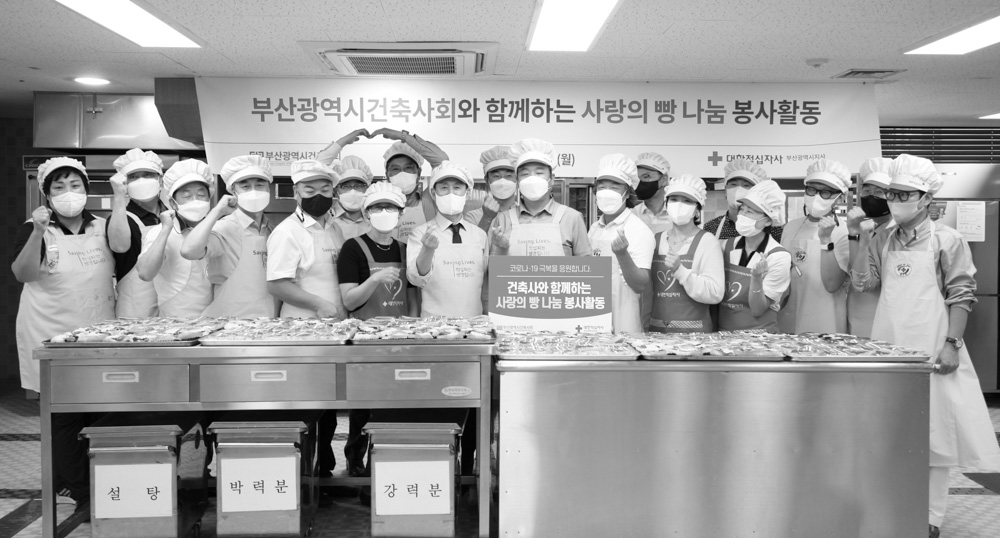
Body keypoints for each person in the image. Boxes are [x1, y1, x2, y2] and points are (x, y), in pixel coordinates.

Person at [850, 154, 1000, 538]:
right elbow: (864, 284)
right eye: (892, 194)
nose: (895, 200)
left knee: (935, 436)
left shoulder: (947, 240)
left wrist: (952, 344)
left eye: (904, 194)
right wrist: (859, 237)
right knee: (892, 431)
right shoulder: (882, 238)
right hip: (890, 351)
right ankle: (895, 508)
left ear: (926, 198)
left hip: (933, 350)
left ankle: (930, 517)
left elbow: (961, 295)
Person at [11, 157, 124, 509]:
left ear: (86, 190)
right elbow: (23, 274)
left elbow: (123, 257)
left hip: (98, 330)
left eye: (75, 185)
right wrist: (37, 232)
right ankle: (78, 490)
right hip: (51, 330)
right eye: (59, 187)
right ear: (47, 194)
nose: (68, 193)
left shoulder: (102, 226)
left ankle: (91, 478)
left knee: (99, 409)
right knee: (63, 413)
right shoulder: (35, 228)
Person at [337, 181, 419, 478]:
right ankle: (356, 462)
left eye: (390, 207)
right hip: (365, 340)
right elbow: (349, 300)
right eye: (377, 207)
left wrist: (411, 330)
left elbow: (412, 298)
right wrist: (374, 279)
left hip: (399, 338)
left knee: (395, 404)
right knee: (363, 405)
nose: (384, 212)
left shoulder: (405, 249)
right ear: (366, 212)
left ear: (401, 213)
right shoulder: (353, 248)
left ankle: (387, 461)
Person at [181, 155, 277, 318]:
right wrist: (217, 211)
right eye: (245, 186)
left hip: (267, 319)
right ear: (233, 191)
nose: (254, 191)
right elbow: (189, 251)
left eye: (260, 185)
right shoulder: (226, 227)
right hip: (230, 322)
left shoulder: (271, 229)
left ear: (269, 188)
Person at [266, 159, 348, 319]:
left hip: (338, 321)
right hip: (303, 323)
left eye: (325, 190)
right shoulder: (287, 231)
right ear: (295, 191)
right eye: (310, 191)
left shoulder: (335, 228)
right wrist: (319, 304)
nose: (318, 196)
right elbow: (276, 285)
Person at [778, 159, 852, 334]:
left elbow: (832, 284)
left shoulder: (844, 232)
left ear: (840, 197)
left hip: (825, 317)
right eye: (811, 189)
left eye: (825, 192)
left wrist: (826, 240)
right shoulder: (791, 227)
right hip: (789, 313)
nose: (816, 196)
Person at [407, 161, 490, 317]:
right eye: (444, 188)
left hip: (474, 325)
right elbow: (416, 280)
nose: (451, 194)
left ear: (467, 193)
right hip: (434, 326)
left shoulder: (480, 235)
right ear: (433, 194)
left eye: (457, 188)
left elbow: (485, 283)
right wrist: (427, 249)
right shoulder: (420, 233)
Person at [136, 159, 214, 317]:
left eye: (201, 195)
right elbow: (145, 273)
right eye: (187, 196)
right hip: (177, 322)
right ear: (173, 203)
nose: (195, 201)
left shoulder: (217, 229)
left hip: (218, 318)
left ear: (209, 199)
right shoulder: (161, 232)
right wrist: (165, 229)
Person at [587, 154, 655, 334]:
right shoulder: (594, 228)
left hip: (625, 319)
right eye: (602, 187)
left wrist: (622, 254)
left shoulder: (639, 230)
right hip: (594, 316)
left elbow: (640, 284)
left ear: (627, 192)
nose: (606, 192)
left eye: (614, 187)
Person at [649, 174, 725, 332]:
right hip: (656, 334)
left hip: (695, 337)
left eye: (687, 201)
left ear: (697, 209)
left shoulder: (707, 242)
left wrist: (681, 271)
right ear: (666, 204)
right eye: (674, 199)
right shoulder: (656, 240)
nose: (679, 205)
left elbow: (715, 293)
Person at [490, 138, 591, 256]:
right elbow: (494, 267)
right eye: (525, 174)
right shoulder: (503, 219)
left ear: (552, 179)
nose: (532, 178)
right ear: (517, 181)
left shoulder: (572, 218)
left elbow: (586, 265)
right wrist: (501, 250)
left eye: (539, 173)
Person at [717, 180, 792, 333]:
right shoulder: (725, 246)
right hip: (724, 335)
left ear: (767, 221)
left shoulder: (778, 256)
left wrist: (756, 279)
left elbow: (758, 309)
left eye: (750, 212)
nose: (742, 215)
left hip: (760, 337)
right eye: (742, 209)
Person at [108, 148, 167, 318]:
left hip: (171, 307)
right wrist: (119, 196)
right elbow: (119, 246)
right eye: (133, 177)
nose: (141, 181)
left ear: (160, 179)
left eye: (148, 175)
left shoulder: (172, 216)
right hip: (136, 313)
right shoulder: (121, 218)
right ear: (124, 184)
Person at [844, 157, 894, 338]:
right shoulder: (865, 228)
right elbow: (854, 271)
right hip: (856, 311)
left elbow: (866, 282)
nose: (871, 196)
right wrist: (853, 233)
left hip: (883, 315)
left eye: (879, 192)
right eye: (867, 190)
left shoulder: (895, 232)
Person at [704, 158, 783, 243]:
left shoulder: (773, 230)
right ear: (726, 190)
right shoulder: (711, 227)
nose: (738, 189)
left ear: (756, 192)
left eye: (746, 185)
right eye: (733, 184)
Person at [467, 145, 518, 233]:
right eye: (496, 176)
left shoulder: (526, 215)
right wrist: (487, 218)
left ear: (517, 179)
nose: (502, 181)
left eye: (509, 176)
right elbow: (473, 241)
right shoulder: (473, 217)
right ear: (487, 180)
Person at [331, 155, 374, 240]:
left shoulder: (376, 217)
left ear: (367, 189)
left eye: (359, 186)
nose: (353, 191)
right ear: (335, 190)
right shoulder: (326, 218)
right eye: (345, 186)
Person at [631, 152, 672, 235]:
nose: (640, 182)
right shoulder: (632, 215)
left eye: (646, 176)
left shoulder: (677, 213)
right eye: (637, 178)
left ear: (664, 179)